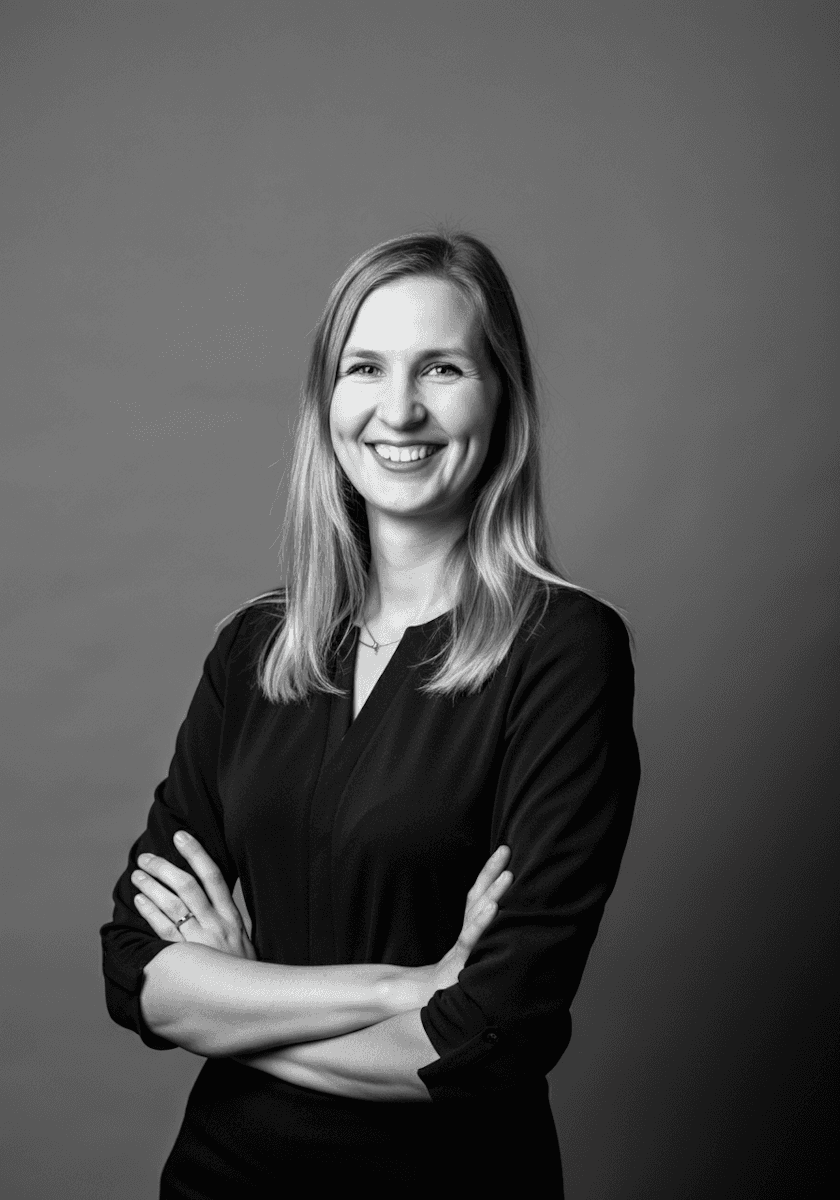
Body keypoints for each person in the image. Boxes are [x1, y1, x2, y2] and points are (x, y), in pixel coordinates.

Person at [100, 230, 640, 1196]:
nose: (400, 410)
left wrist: (234, 1002)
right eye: (365, 368)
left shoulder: (563, 650)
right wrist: (406, 988)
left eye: (442, 367)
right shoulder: (255, 649)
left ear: (502, 398)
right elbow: (137, 971)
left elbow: (487, 1034)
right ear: (326, 402)